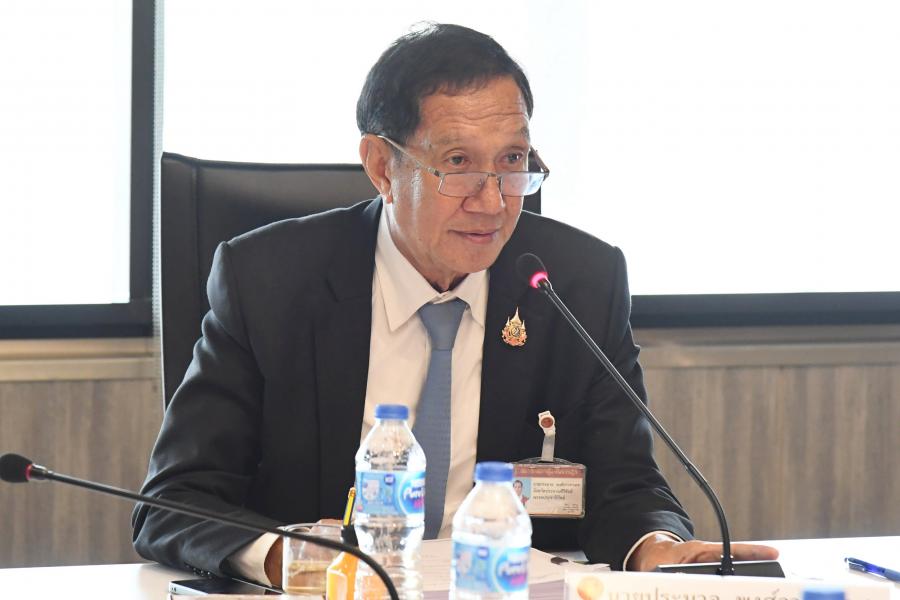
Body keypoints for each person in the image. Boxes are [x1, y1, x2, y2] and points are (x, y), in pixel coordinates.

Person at [132, 23, 777, 586]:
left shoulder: (577, 282)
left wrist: (658, 548)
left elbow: (625, 484)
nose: (493, 202)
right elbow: (176, 500)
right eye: (459, 163)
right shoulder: (269, 281)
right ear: (381, 166)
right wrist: (288, 558)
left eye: (513, 160)